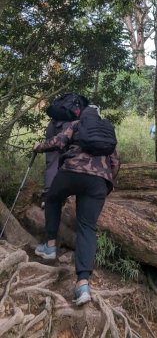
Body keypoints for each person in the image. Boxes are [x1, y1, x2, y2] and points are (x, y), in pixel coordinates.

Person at [33, 104, 119, 306]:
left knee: (53, 199)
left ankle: (50, 246)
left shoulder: (76, 123)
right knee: (87, 227)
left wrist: (39, 146)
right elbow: (115, 161)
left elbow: (58, 141)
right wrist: (107, 182)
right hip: (99, 181)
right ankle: (82, 285)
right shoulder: (107, 129)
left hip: (71, 172)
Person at [41, 93, 88, 208]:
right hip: (68, 126)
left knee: (52, 159)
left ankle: (48, 195)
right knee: (68, 158)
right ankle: (62, 195)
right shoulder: (83, 105)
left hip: (52, 125)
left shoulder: (61, 104)